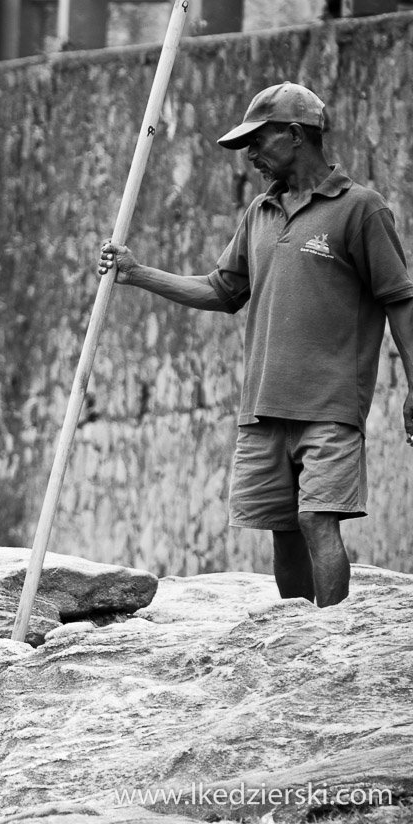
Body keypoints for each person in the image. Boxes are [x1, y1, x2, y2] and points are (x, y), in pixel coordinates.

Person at [97, 81, 413, 607]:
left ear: (294, 135)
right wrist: (136, 272)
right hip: (262, 408)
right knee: (283, 529)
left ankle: (331, 640)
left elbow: (401, 301)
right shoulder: (260, 214)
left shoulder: (362, 209)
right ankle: (296, 636)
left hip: (330, 406)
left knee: (316, 518)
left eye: (258, 143)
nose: (251, 157)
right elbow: (221, 291)